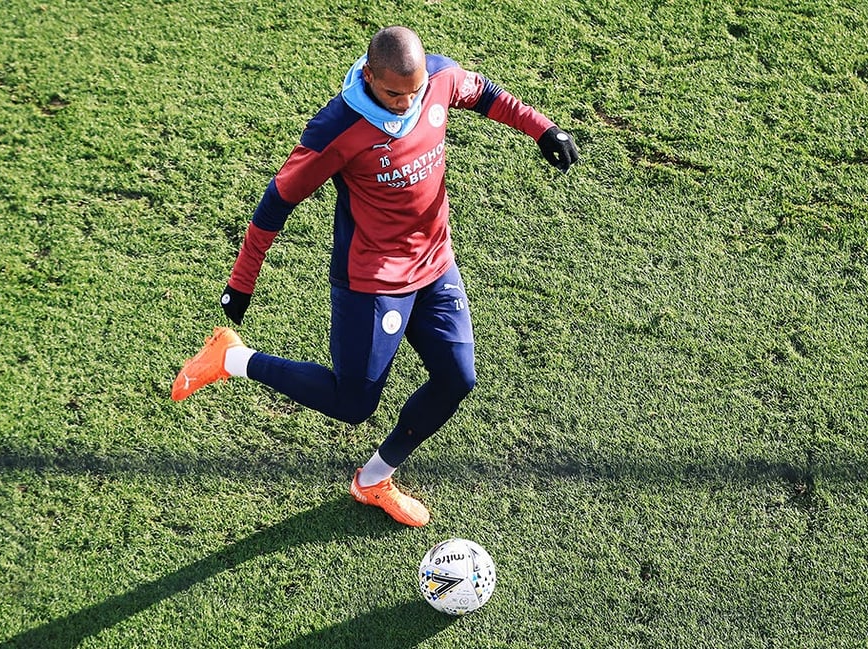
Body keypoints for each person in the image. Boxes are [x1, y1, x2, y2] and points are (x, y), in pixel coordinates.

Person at [172, 26, 578, 527]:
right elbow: (276, 202)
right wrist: (242, 280)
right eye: (393, 93)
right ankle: (232, 358)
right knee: (352, 402)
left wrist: (544, 129)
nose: (407, 104)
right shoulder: (337, 130)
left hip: (435, 262)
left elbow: (486, 93)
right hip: (373, 279)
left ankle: (372, 480)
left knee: (457, 379)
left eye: (414, 93)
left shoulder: (439, 79)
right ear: (368, 76)